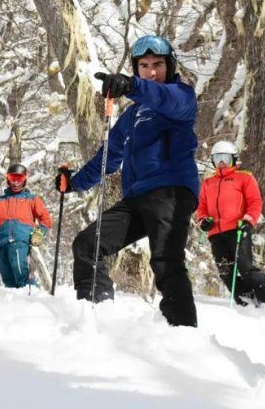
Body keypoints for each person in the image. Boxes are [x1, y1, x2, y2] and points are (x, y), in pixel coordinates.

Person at [55, 34, 199, 327]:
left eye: (157, 65)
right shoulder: (132, 115)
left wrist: (132, 86)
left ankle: (183, 333)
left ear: (170, 66)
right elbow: (107, 158)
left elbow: (162, 97)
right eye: (144, 66)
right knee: (87, 244)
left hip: (171, 191)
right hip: (136, 198)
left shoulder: (181, 97)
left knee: (166, 260)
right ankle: (96, 318)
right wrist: (74, 183)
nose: (151, 72)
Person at [196, 141, 265, 306]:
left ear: (233, 159)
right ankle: (246, 302)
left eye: (225, 158)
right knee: (226, 272)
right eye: (217, 158)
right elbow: (202, 207)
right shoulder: (208, 183)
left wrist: (249, 220)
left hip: (238, 230)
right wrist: (203, 220)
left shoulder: (244, 178)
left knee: (245, 268)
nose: (221, 162)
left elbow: (255, 201)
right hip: (216, 234)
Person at [0, 163, 52, 288]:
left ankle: (32, 294)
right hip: (1, 243)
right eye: (13, 178)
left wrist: (40, 232)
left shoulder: (31, 199)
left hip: (19, 241)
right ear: (8, 178)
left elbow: (46, 219)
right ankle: (14, 299)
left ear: (25, 179)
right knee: (8, 280)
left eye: (20, 178)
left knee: (21, 274)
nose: (16, 182)